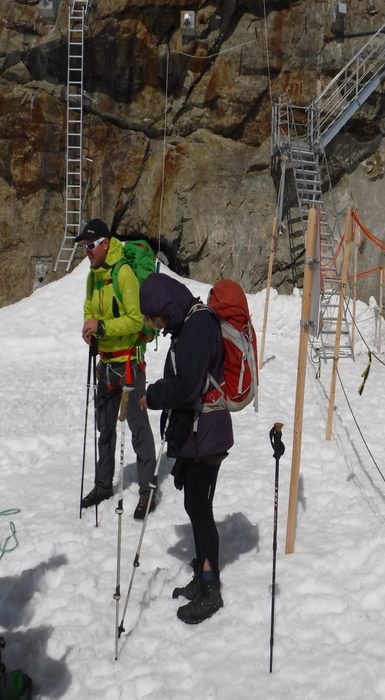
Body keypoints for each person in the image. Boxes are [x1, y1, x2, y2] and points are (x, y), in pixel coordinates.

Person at [138, 273, 233, 624]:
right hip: (197, 433)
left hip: (210, 432)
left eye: (155, 317)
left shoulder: (197, 326)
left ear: (167, 307)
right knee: (195, 505)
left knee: (200, 507)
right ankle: (201, 573)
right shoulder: (187, 326)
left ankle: (211, 590)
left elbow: (186, 387)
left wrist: (154, 395)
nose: (156, 325)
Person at [78, 218, 158, 520]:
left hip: (128, 362)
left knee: (138, 427)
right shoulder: (92, 277)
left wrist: (102, 327)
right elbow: (89, 309)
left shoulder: (122, 273)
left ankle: (148, 487)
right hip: (106, 364)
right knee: (104, 428)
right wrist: (90, 328)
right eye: (85, 246)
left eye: (91, 245)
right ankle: (102, 484)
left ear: (105, 243)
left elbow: (136, 319)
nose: (87, 251)